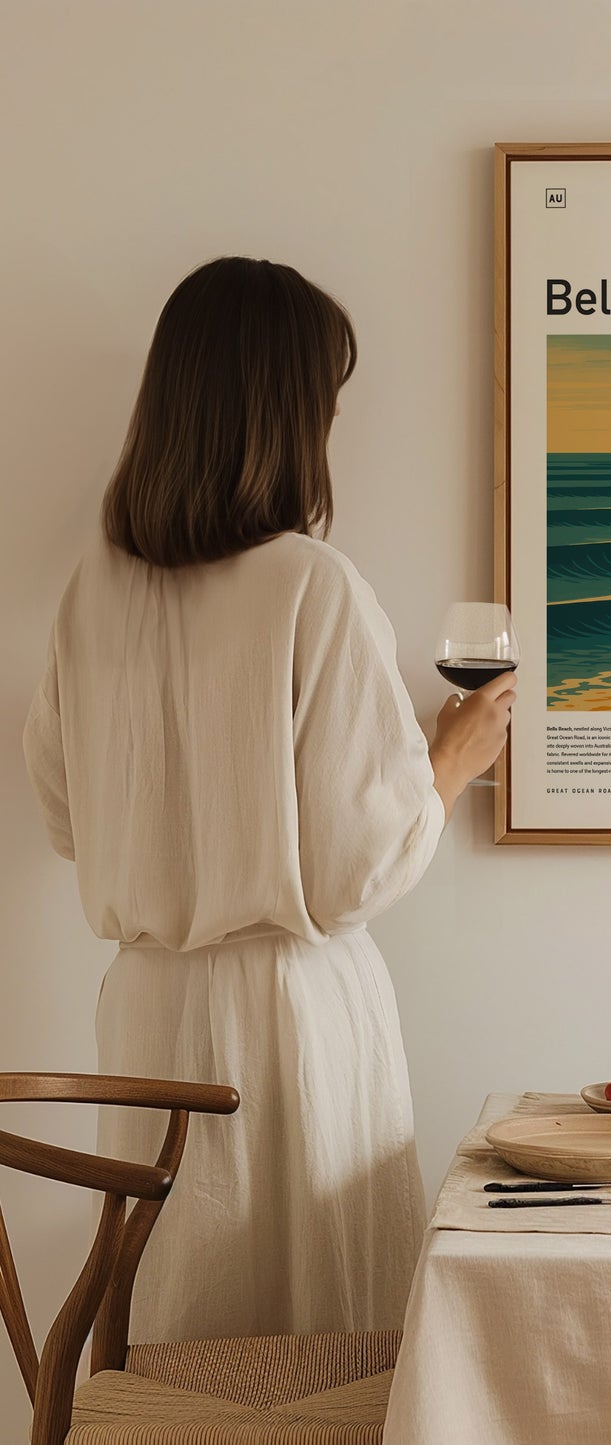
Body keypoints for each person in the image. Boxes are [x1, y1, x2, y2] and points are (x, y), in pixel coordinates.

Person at [21, 256, 512, 1341]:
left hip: (145, 1009)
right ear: (287, 412)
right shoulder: (310, 583)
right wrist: (449, 757)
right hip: (288, 1018)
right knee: (313, 1343)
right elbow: (350, 872)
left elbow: (64, 817)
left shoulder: (92, 590)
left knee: (176, 1326)